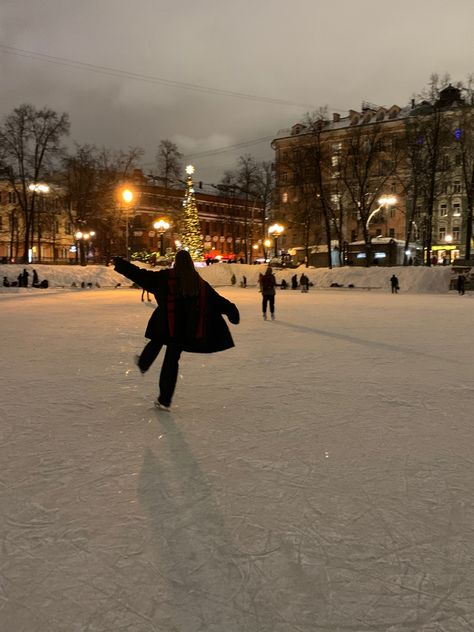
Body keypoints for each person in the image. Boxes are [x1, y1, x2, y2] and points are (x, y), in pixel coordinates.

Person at [114, 251, 240, 410]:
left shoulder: (166, 278)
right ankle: (164, 399)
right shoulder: (199, 283)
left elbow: (142, 276)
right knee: (170, 361)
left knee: (158, 338)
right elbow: (217, 300)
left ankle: (144, 363)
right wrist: (232, 312)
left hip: (166, 324)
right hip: (184, 331)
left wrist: (121, 265)